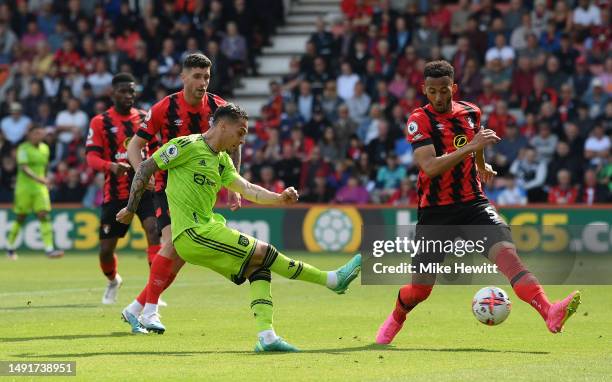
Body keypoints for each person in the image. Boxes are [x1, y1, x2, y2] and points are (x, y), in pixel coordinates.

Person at [116, 104, 361, 351]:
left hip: (206, 228)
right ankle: (331, 280)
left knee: (258, 267)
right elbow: (147, 166)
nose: (243, 140)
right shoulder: (186, 146)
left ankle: (267, 337)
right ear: (223, 126)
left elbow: (247, 188)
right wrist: (130, 208)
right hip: (192, 234)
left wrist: (279, 198)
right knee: (264, 251)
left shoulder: (221, 161)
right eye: (240, 132)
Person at [375, 60, 581, 345]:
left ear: (453, 88)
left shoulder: (471, 112)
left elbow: (477, 141)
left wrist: (481, 164)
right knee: (420, 290)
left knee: (508, 255)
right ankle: (397, 317)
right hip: (436, 213)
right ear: (424, 90)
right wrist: (472, 148)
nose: (438, 97)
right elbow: (431, 167)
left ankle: (550, 311)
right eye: (432, 91)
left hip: (473, 204)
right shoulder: (418, 120)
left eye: (443, 90)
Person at [121, 53, 242, 333]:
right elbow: (133, 148)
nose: (202, 83)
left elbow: (235, 145)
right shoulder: (165, 108)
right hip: (167, 185)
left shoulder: (218, 108)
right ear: (183, 77)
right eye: (197, 76)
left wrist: (233, 184)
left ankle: (135, 308)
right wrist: (143, 172)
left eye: (207, 77)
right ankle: (150, 312)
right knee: (175, 243)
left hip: (200, 188)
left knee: (183, 250)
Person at [85, 73, 161, 308]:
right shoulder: (100, 122)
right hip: (116, 193)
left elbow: (159, 149)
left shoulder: (144, 117)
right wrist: (111, 166)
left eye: (132, 91)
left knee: (152, 229)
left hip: (146, 188)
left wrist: (156, 175)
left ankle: (154, 291)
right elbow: (91, 158)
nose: (129, 96)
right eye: (123, 91)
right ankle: (113, 281)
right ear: (112, 93)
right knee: (106, 250)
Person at [6, 124, 64, 260]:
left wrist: (46, 179)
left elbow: (45, 166)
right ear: (29, 134)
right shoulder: (23, 148)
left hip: (40, 188)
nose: (39, 136)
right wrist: (41, 179)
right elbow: (24, 168)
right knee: (21, 217)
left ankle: (49, 249)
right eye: (36, 133)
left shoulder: (45, 148)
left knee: (44, 215)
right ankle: (9, 246)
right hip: (24, 188)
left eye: (41, 133)